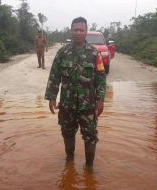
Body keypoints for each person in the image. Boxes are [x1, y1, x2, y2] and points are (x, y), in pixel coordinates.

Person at [44, 17, 106, 169]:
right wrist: (52, 97)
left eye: (81, 30)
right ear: (71, 31)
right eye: (75, 30)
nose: (78, 32)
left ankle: (89, 167)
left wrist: (100, 99)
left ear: (86, 32)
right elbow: (54, 75)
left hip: (88, 105)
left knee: (90, 136)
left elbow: (100, 78)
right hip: (67, 104)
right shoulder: (62, 52)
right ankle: (69, 160)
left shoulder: (94, 53)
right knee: (67, 132)